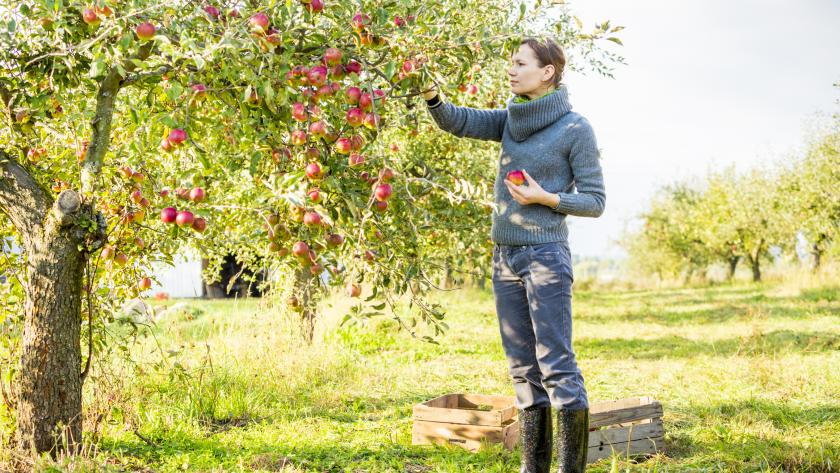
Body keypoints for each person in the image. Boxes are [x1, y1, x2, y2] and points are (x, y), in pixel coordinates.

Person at [421, 36, 605, 473]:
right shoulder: (510, 120)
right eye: (511, 63)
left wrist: (547, 198)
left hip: (545, 256)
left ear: (547, 72)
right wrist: (430, 94)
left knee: (555, 362)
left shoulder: (575, 128)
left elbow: (595, 201)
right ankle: (533, 467)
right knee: (522, 366)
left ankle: (568, 469)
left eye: (520, 63)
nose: (511, 69)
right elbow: (457, 121)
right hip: (506, 258)